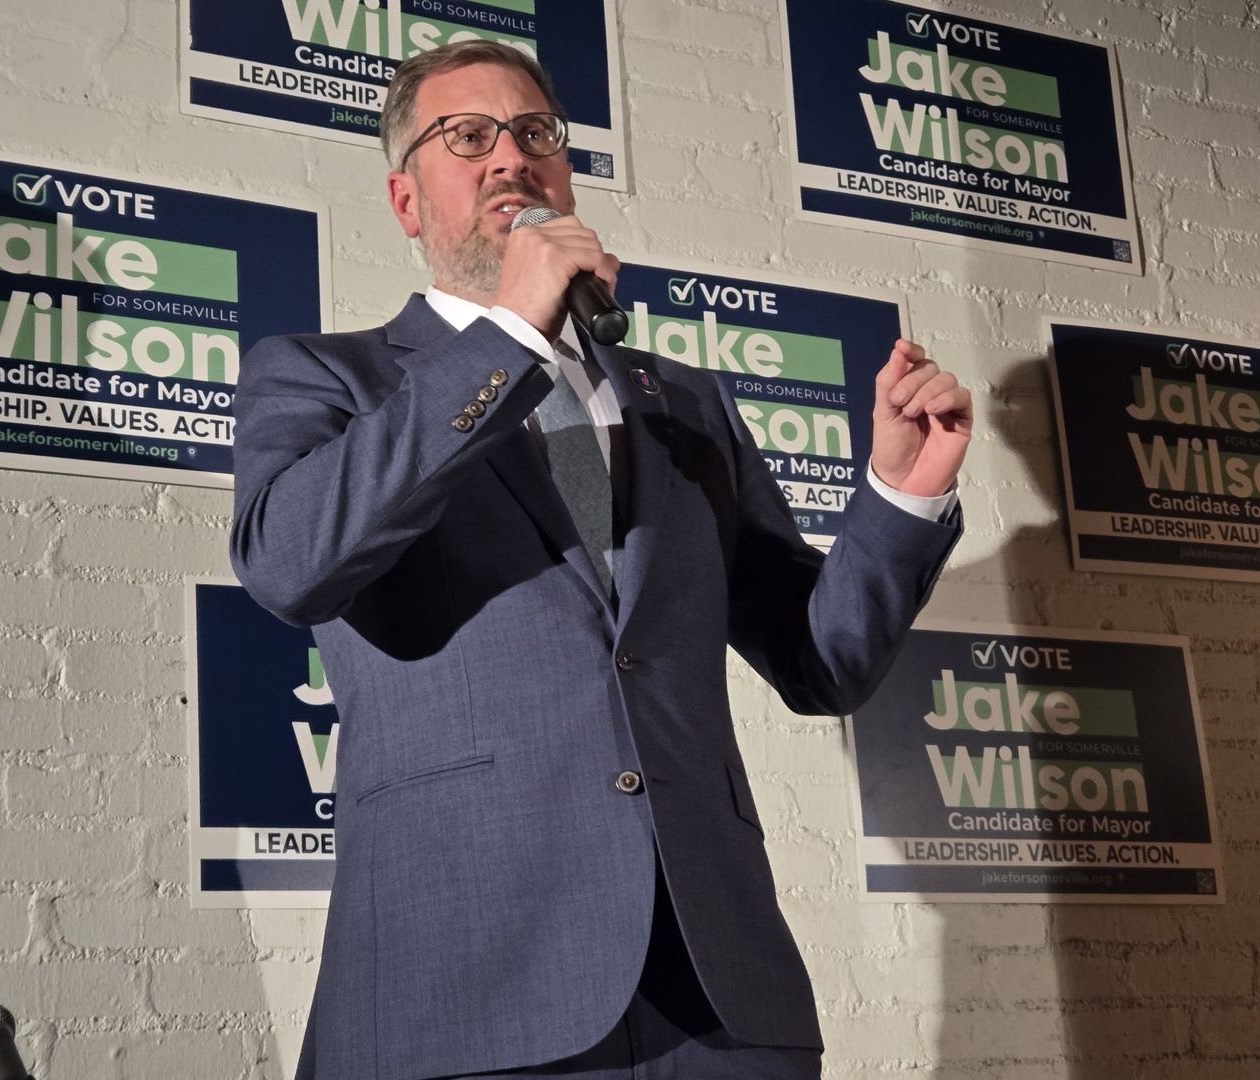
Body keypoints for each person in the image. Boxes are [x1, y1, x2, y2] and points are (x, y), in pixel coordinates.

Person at [229, 40, 973, 1080]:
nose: (509, 159)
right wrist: (510, 340)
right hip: (463, 991)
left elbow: (821, 663)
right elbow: (290, 564)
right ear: (407, 201)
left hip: (714, 995)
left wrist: (901, 491)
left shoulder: (686, 399)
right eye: (468, 137)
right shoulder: (324, 377)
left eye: (535, 133)